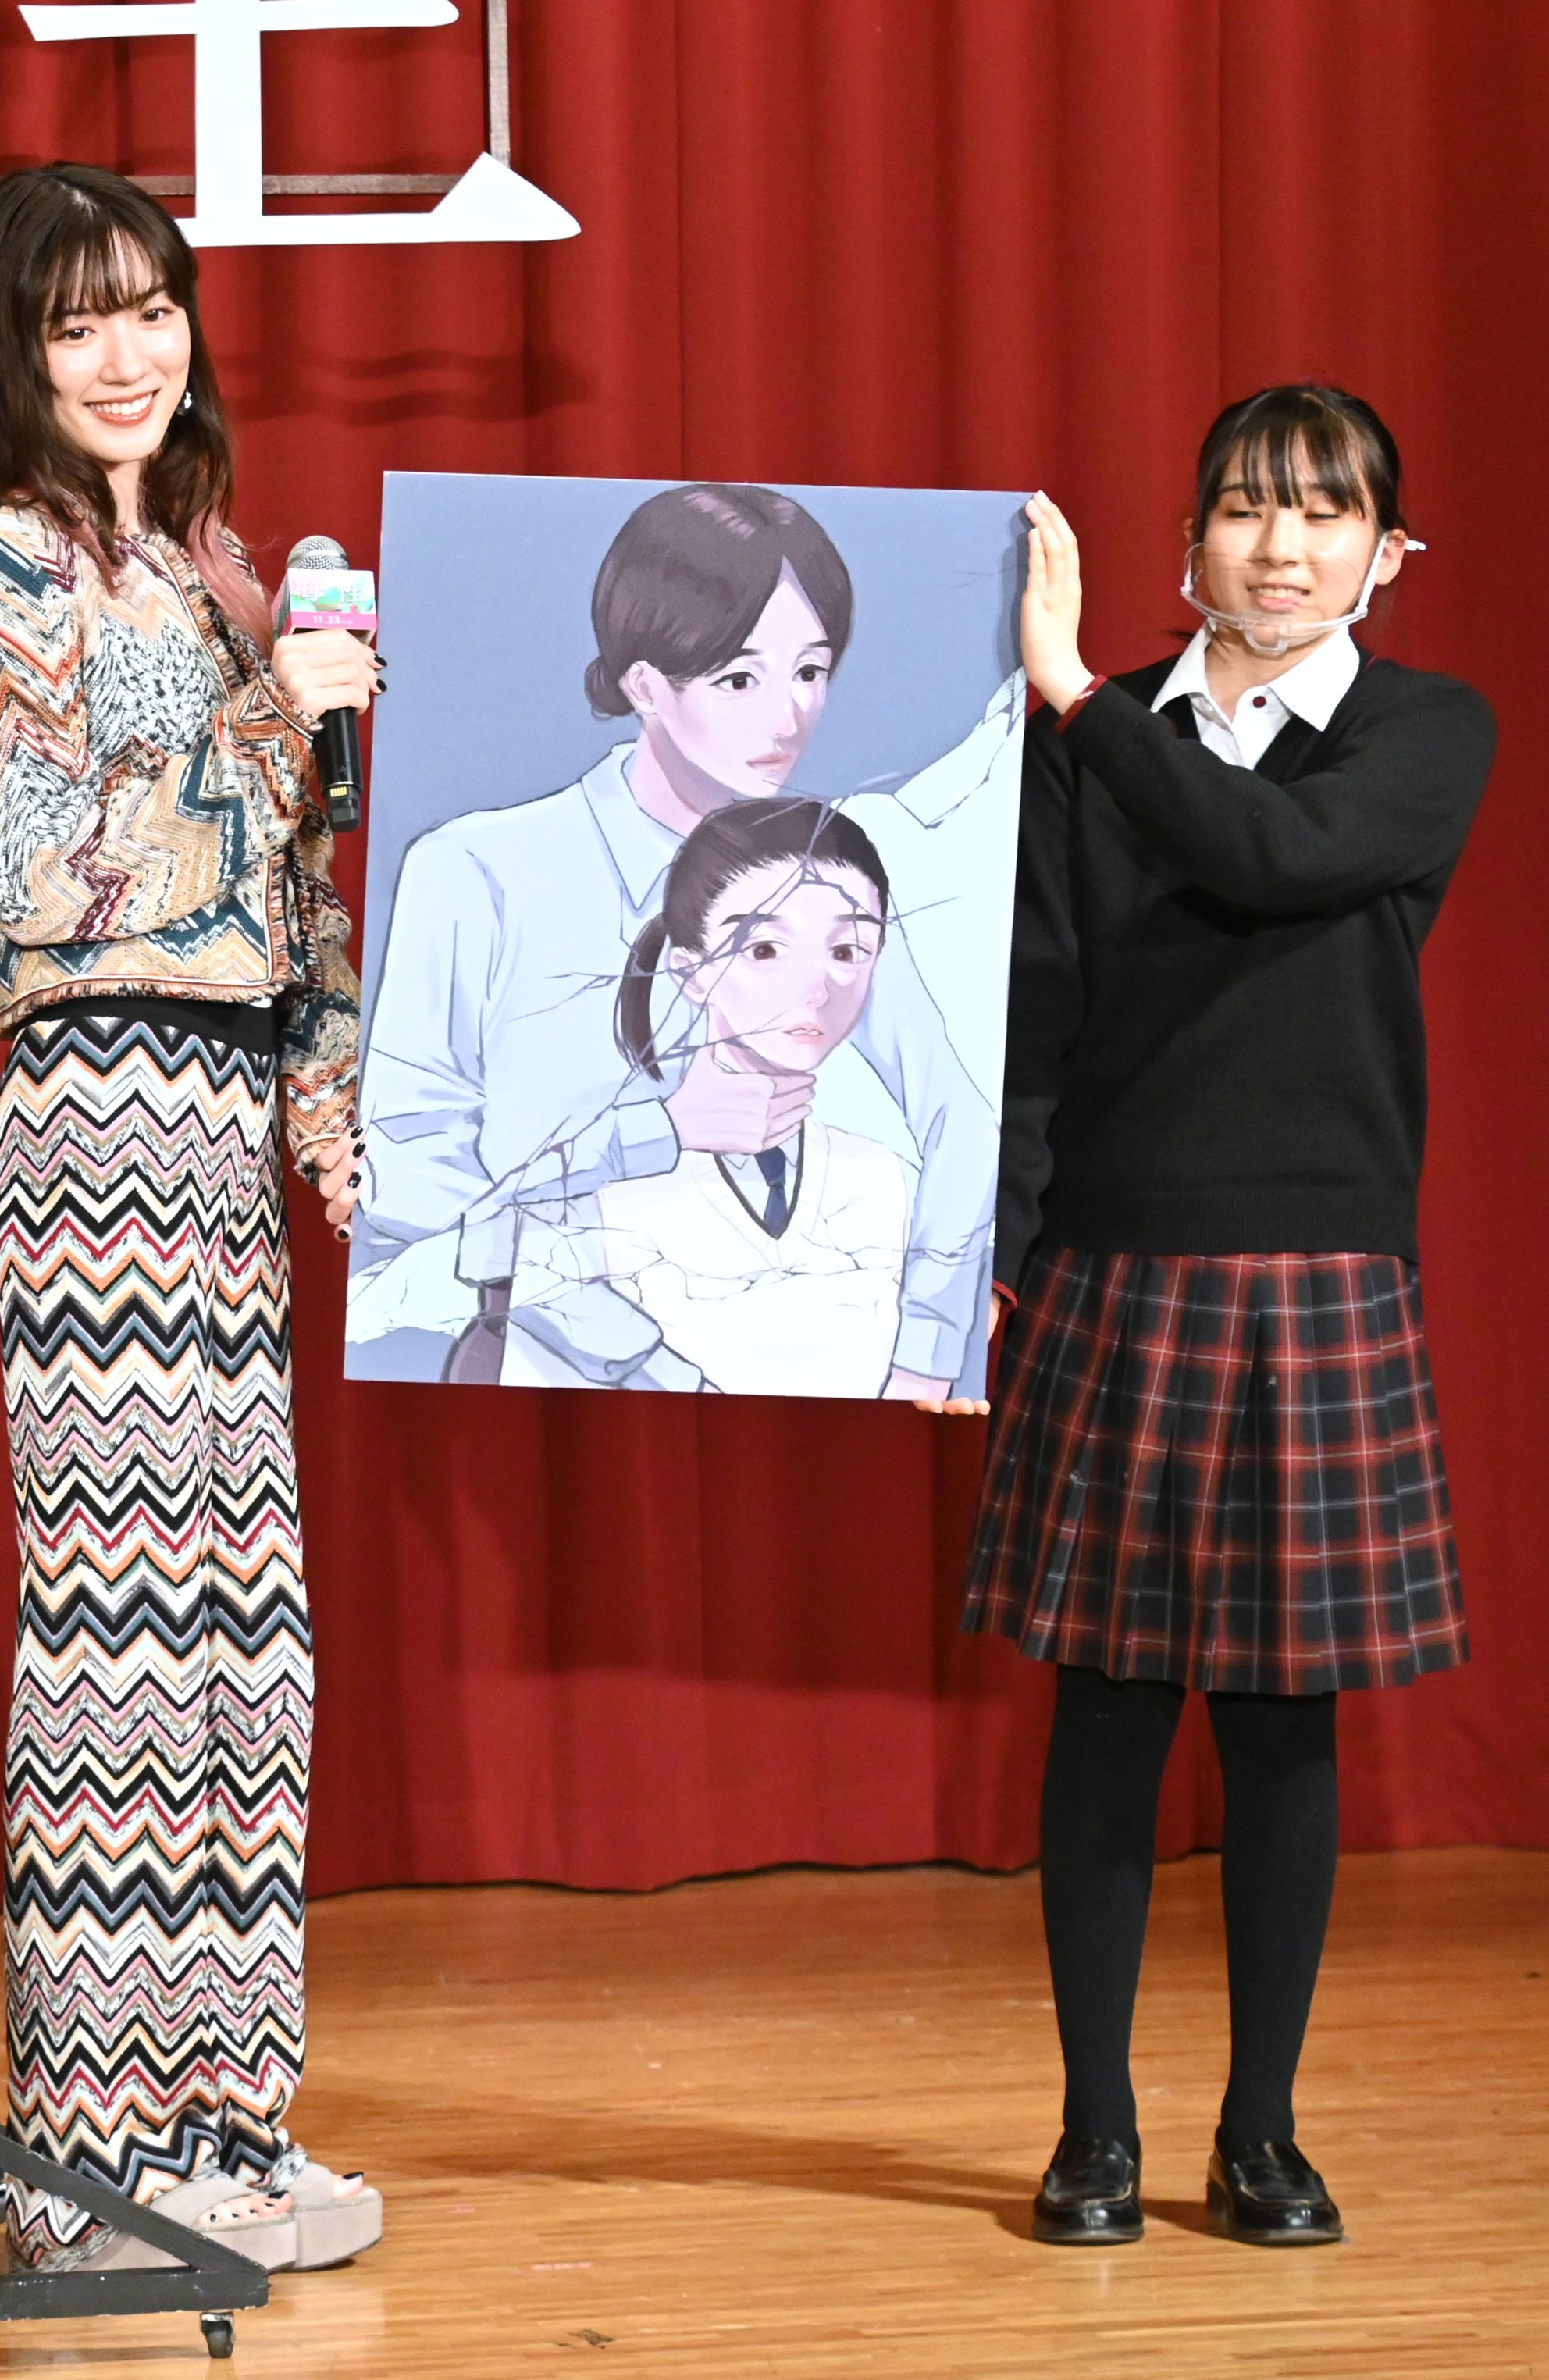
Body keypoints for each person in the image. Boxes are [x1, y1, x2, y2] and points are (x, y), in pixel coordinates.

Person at [0, 162, 379, 2275]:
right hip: (97, 1111)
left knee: (241, 1634)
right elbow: (41, 879)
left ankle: (226, 2120)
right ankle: (90, 2163)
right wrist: (279, 730)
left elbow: (287, 881)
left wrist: (338, 1101)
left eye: (154, 305)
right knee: (116, 1643)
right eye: (78, 316)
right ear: (11, 350)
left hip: (223, 1126)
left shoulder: (208, 570)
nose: (129, 352)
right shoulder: (7, 566)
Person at [970, 386, 1490, 2249]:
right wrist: (981, 1263)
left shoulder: (1426, 728)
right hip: (1114, 1262)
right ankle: (1093, 2132)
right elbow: (1030, 1009)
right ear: (1190, 535)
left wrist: (1075, 696)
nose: (1282, 546)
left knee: (1281, 1726)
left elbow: (1273, 861)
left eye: (1324, 512)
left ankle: (1259, 2132)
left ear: (1385, 552)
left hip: (1320, 1267)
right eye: (1248, 508)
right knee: (1106, 1713)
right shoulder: (1092, 735)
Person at [354, 483, 1002, 1396]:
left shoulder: (824, 883)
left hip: (800, 1376)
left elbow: (962, 1120)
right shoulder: (476, 872)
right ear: (644, 685)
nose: (788, 716)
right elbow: (412, 1181)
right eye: (740, 678)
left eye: (810, 671)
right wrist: (650, 1142)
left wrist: (923, 1354)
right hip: (541, 1381)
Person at [507, 799, 913, 1397]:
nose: (816, 988)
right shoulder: (583, 1182)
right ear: (690, 971)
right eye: (765, 949)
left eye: (848, 951)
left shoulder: (887, 1180)